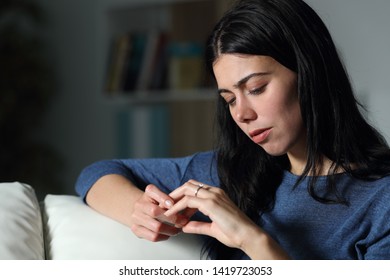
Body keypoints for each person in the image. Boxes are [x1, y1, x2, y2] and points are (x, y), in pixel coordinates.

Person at [75, 0, 390, 260]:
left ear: (309, 72)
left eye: (255, 88)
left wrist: (252, 240)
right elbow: (97, 174)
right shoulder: (229, 172)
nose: (242, 114)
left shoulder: (381, 200)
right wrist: (138, 211)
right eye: (229, 99)